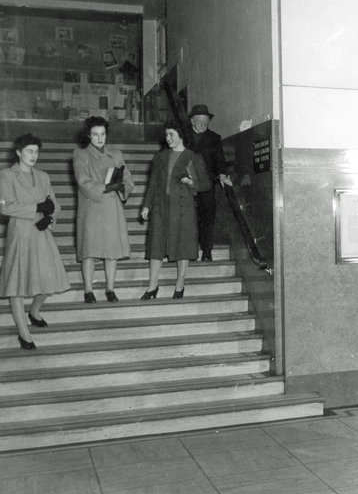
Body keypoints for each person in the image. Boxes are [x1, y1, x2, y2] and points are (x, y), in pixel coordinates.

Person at [0, 133, 70, 349]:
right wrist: (36, 209)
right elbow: (5, 207)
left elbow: (55, 205)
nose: (34, 155)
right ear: (19, 152)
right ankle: (24, 333)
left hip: (41, 232)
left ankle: (34, 311)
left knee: (49, 279)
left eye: (36, 151)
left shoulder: (43, 176)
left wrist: (49, 218)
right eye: (29, 151)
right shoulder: (6, 175)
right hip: (20, 232)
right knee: (17, 284)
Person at [140, 122, 211, 300]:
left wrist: (191, 183)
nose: (168, 138)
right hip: (161, 207)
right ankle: (152, 286)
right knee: (156, 246)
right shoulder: (160, 157)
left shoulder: (193, 157)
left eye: (171, 134)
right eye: (166, 135)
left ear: (181, 135)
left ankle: (180, 284)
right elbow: (153, 184)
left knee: (183, 246)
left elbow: (206, 184)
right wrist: (147, 205)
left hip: (183, 208)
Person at [72, 116, 134, 303]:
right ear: (88, 136)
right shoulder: (80, 154)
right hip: (91, 207)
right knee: (89, 250)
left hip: (111, 207)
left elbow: (128, 178)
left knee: (111, 251)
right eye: (95, 135)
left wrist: (123, 186)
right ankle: (88, 290)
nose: (100, 138)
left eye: (103, 134)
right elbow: (83, 181)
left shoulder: (116, 154)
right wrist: (106, 187)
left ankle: (110, 289)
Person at [187, 104, 229, 262]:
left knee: (208, 217)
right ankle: (189, 251)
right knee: (190, 218)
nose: (203, 124)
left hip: (207, 184)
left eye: (205, 121)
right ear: (192, 120)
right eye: (199, 120)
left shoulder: (214, 138)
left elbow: (220, 161)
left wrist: (223, 175)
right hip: (187, 183)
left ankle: (206, 251)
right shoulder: (182, 136)